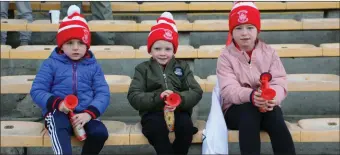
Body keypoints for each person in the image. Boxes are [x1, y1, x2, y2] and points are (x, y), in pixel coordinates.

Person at [217, 2, 296, 155]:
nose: (244, 33)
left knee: (275, 113)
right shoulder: (225, 57)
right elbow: (228, 89)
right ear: (231, 32)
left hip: (265, 106)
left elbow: (279, 80)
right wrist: (251, 96)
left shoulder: (269, 52)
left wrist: (273, 97)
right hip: (236, 109)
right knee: (249, 110)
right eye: (238, 28)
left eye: (250, 28)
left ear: (257, 30)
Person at [30, 5, 110, 155]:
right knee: (59, 126)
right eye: (70, 43)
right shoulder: (51, 63)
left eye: (81, 43)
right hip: (57, 113)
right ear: (61, 45)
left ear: (87, 45)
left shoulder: (93, 65)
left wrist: (89, 113)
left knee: (100, 132)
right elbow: (37, 90)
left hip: (84, 114)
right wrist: (58, 104)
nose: (75, 48)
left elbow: (103, 93)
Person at [127, 12, 203, 155]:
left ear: (174, 50)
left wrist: (178, 98)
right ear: (150, 49)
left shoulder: (182, 67)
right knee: (156, 130)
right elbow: (134, 96)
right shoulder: (143, 69)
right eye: (157, 48)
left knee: (186, 128)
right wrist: (158, 98)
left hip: (179, 111)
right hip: (152, 112)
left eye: (168, 49)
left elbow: (196, 91)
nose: (162, 53)